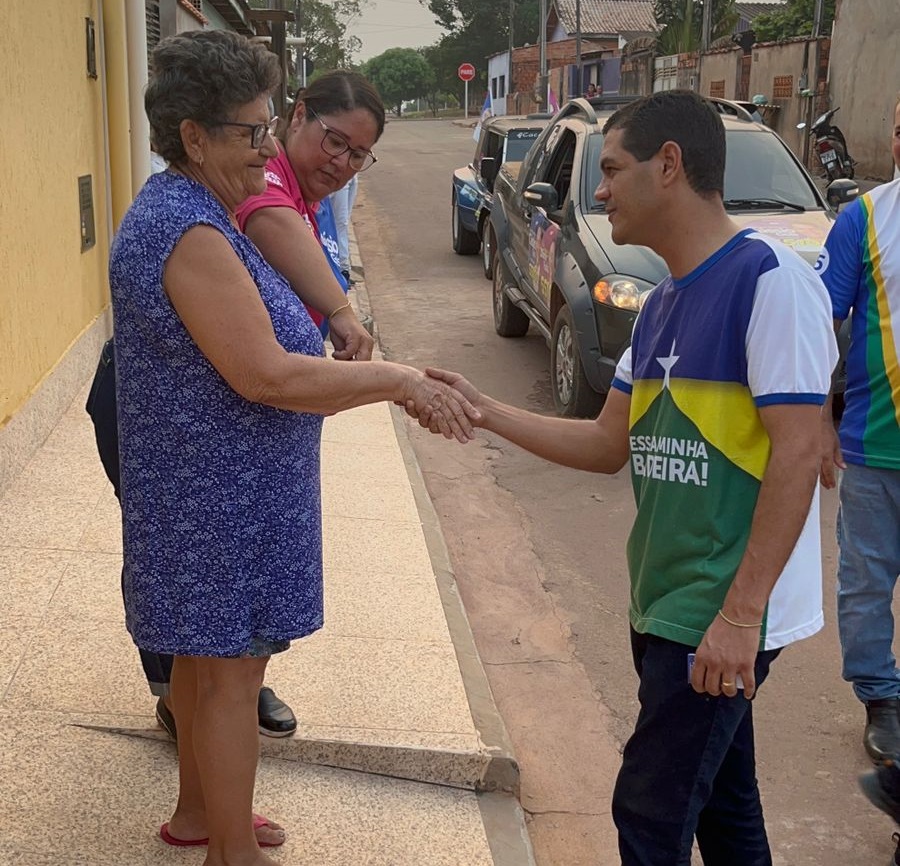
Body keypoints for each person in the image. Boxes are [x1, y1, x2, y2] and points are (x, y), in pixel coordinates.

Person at [409, 90, 837, 865]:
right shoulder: (663, 301)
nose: (600, 191)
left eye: (611, 169)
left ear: (668, 165)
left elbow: (799, 453)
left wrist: (740, 617)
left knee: (649, 810)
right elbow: (609, 442)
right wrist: (485, 411)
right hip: (663, 596)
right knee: (723, 808)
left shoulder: (770, 280)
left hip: (716, 606)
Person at [110, 30, 477, 862]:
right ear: (194, 136)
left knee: (205, 662)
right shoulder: (187, 230)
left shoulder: (198, 210)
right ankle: (230, 854)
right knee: (231, 674)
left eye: (269, 124)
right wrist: (397, 380)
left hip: (221, 492)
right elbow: (267, 375)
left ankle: (203, 815)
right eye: (251, 131)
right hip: (215, 503)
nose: (267, 145)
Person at [819, 97, 900, 767]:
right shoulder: (863, 219)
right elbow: (822, 324)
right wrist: (820, 420)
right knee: (866, 581)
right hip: (875, 444)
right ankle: (882, 699)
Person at [330, 174, 358, 284]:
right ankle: (342, 269)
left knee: (344, 222)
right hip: (339, 176)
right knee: (340, 223)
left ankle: (343, 268)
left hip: (352, 175)